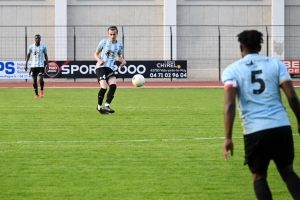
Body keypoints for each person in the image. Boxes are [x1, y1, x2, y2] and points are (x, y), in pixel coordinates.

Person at [222, 30, 300, 200]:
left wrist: (228, 138)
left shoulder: (231, 70)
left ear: (241, 47)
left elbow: (229, 105)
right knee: (287, 171)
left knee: (259, 177)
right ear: (260, 46)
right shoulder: (276, 64)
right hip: (281, 127)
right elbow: (292, 96)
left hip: (255, 131)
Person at [94, 26, 126, 115]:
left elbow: (118, 56)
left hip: (110, 68)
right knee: (104, 86)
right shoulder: (103, 42)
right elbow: (95, 54)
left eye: (114, 34)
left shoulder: (119, 45)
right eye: (111, 34)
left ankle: (107, 105)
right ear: (108, 34)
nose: (112, 36)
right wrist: (99, 60)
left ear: (117, 34)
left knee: (113, 86)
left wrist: (123, 61)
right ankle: (99, 106)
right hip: (101, 67)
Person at [25, 34, 48, 98]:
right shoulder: (31, 46)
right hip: (33, 66)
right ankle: (36, 94)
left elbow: (46, 55)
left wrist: (47, 65)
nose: (37, 39)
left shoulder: (43, 46)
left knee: (41, 79)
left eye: (38, 38)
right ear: (34, 39)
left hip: (41, 65)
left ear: (40, 39)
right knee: (34, 81)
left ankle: (42, 90)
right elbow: (28, 55)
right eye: (36, 38)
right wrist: (26, 64)